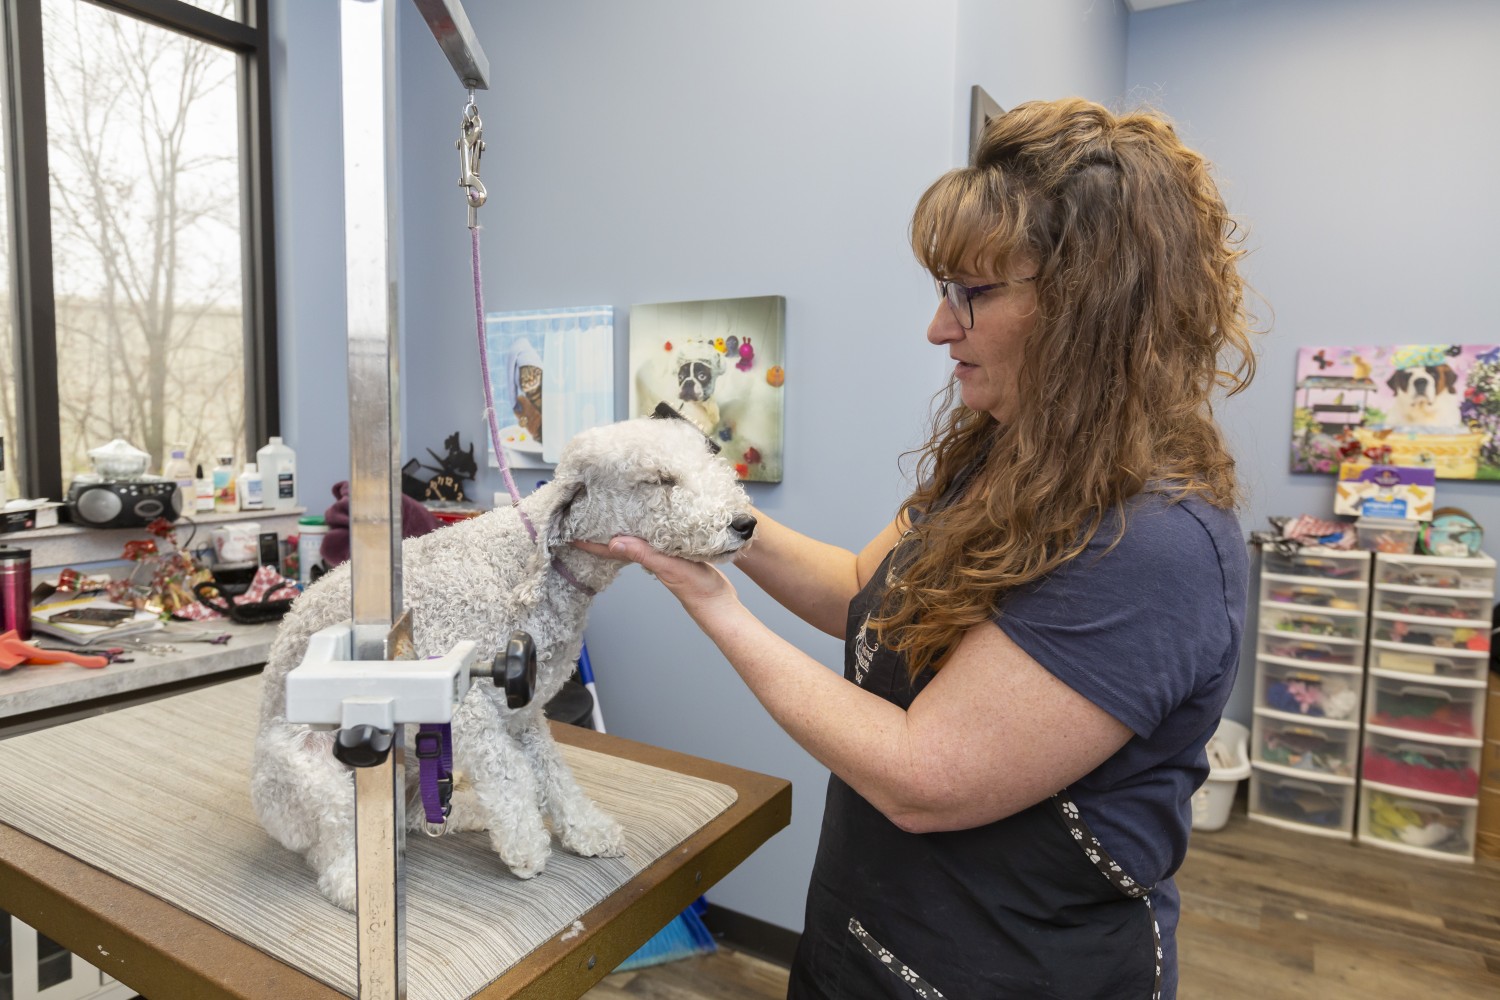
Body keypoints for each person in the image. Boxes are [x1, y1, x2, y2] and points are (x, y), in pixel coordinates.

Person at [578, 97, 1256, 999]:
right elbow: (861, 587)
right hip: (863, 940)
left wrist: (712, 605)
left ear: (1093, 306)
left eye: (971, 294)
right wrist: (703, 508)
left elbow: (923, 776)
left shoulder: (1155, 545)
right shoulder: (1004, 450)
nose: (940, 329)